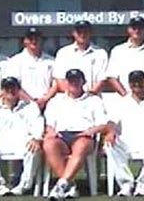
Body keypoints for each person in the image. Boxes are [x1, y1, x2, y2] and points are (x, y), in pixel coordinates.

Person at [43, 69, 108, 200]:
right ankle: (69, 184)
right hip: (62, 135)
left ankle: (61, 184)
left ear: (83, 82)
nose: (74, 83)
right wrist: (51, 132)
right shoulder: (56, 100)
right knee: (49, 144)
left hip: (83, 135)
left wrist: (89, 132)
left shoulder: (94, 100)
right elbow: (49, 124)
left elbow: (102, 124)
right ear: (66, 82)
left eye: (77, 80)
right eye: (71, 80)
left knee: (82, 145)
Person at [103, 70, 144, 197]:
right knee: (109, 144)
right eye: (133, 82)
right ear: (129, 84)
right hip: (127, 142)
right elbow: (112, 121)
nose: (137, 84)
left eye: (140, 81)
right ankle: (126, 184)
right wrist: (111, 132)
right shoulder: (122, 101)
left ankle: (142, 183)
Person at [0, 77, 44, 196]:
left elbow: (38, 123)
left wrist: (36, 138)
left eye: (13, 88)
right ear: (2, 90)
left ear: (18, 90)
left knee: (34, 148)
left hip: (23, 142)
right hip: (0, 142)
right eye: (7, 88)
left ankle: (23, 185)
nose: (10, 91)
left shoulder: (30, 106)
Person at [106, 17, 144, 96]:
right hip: (124, 99)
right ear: (128, 30)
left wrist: (141, 94)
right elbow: (112, 77)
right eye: (134, 28)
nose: (137, 31)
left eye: (140, 28)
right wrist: (126, 96)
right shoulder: (117, 50)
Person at [6, 27, 57, 109]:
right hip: (23, 105)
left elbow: (55, 84)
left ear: (41, 40)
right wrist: (31, 101)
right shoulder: (15, 60)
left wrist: (45, 99)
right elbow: (14, 85)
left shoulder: (51, 61)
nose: (34, 41)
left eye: (37, 38)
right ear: (25, 41)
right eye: (30, 39)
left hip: (47, 104)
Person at [54, 21, 108, 94]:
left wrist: (89, 96)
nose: (82, 35)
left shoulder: (101, 53)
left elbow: (102, 80)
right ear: (73, 33)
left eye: (85, 32)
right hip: (68, 100)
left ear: (91, 33)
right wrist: (72, 96)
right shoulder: (63, 53)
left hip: (93, 99)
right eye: (79, 32)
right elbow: (59, 79)